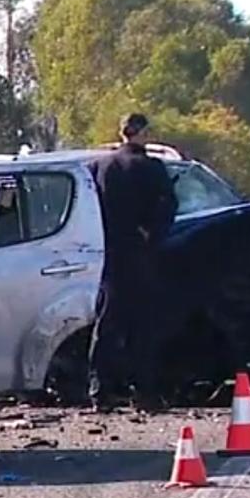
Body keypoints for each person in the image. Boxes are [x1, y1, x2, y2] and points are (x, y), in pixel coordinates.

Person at [87, 113, 178, 412]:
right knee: (144, 328)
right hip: (142, 257)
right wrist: (151, 234)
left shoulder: (100, 167)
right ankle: (145, 394)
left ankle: (100, 391)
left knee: (107, 325)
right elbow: (168, 208)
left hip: (109, 257)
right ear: (144, 133)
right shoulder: (151, 168)